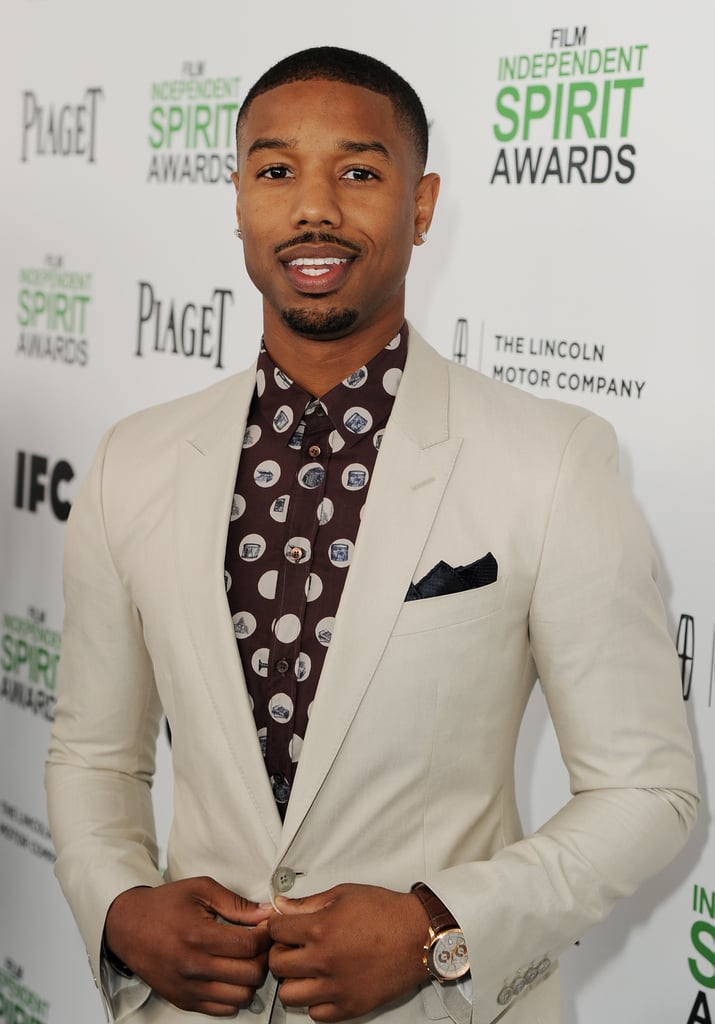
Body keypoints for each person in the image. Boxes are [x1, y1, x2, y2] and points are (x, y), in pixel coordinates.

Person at [46, 46, 698, 1024]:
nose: (314, 208)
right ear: (236, 202)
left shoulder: (553, 457)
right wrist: (120, 908)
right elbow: (95, 754)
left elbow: (650, 790)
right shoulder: (130, 462)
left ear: (421, 204)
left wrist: (438, 925)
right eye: (275, 171)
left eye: (358, 171)